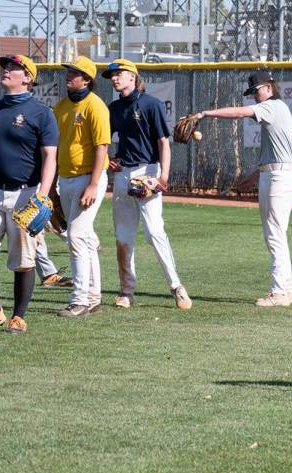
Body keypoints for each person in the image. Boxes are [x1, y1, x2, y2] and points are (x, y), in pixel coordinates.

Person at [189, 70, 292, 307]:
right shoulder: (275, 109)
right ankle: (287, 290)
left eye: (257, 90)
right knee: (277, 236)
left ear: (269, 88)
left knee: (275, 237)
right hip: (276, 175)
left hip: (278, 179)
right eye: (251, 92)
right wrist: (253, 178)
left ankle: (280, 292)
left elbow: (239, 112)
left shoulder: (273, 106)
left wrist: (206, 113)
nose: (254, 96)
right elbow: (275, 155)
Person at [102, 59, 191, 310]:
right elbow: (105, 140)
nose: (115, 78)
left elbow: (164, 142)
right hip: (123, 175)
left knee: (154, 232)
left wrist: (163, 177)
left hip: (148, 171)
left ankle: (176, 287)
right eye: (112, 75)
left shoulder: (151, 104)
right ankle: (126, 291)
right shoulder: (114, 108)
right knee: (123, 237)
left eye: (119, 74)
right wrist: (108, 159)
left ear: (133, 76)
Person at [0, 54, 59, 334]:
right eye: (5, 66)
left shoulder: (41, 113)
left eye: (13, 67)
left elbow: (50, 156)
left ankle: (19, 315)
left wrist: (43, 195)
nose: (6, 70)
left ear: (27, 78)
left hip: (25, 193)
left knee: (23, 259)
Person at [53, 56, 111, 317]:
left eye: (75, 73)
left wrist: (94, 184)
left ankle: (80, 300)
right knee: (85, 239)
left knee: (76, 236)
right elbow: (56, 148)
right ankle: (94, 296)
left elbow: (102, 147)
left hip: (89, 178)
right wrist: (52, 185)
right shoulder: (61, 107)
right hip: (65, 178)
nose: (69, 75)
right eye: (68, 71)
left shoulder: (95, 106)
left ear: (87, 79)